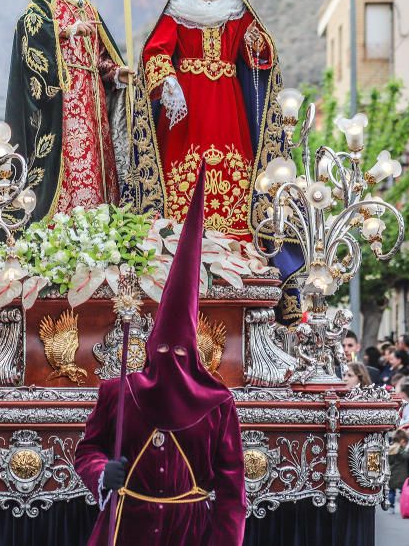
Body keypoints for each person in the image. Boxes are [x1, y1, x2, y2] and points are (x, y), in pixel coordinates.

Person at [74, 165, 245, 545]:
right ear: (150, 351)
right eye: (163, 350)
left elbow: (233, 489)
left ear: (195, 357)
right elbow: (88, 449)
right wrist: (103, 473)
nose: (171, 359)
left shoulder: (218, 405)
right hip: (125, 530)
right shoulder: (119, 392)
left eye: (180, 353)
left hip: (190, 533)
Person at [139, 0, 278, 241]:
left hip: (227, 100)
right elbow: (155, 51)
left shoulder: (237, 12)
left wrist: (257, 45)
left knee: (231, 159)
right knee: (185, 161)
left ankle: (234, 238)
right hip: (187, 99)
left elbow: (259, 56)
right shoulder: (178, 10)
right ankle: (179, 234)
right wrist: (168, 79)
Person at [5, 0, 132, 224]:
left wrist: (116, 73)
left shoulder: (90, 8)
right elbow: (28, 31)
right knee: (71, 160)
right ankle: (63, 221)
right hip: (65, 98)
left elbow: (101, 58)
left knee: (97, 161)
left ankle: (98, 224)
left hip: (93, 101)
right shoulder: (43, 6)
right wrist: (65, 30)